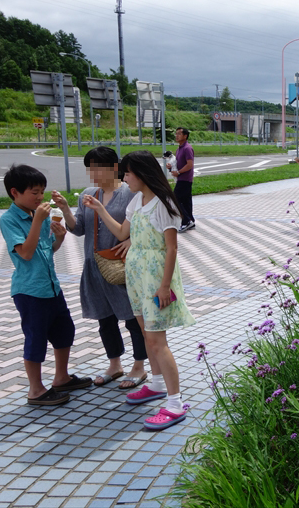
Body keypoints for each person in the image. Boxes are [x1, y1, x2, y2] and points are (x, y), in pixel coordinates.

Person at [85, 150, 196, 430]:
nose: (124, 178)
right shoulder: (138, 200)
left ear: (143, 173)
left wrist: (163, 286)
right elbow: (123, 234)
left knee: (158, 343)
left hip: (156, 278)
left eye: (129, 173)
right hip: (137, 277)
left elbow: (171, 248)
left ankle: (175, 403)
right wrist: (100, 210)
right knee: (147, 337)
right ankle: (157, 385)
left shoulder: (163, 203)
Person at [51, 147, 148, 390]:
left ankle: (139, 366)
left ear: (114, 167)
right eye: (90, 167)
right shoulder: (88, 193)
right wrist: (64, 209)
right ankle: (114, 364)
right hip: (94, 267)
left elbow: (142, 226)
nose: (93, 173)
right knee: (105, 319)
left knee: (133, 319)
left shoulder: (129, 193)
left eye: (98, 167)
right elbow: (79, 228)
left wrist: (131, 239)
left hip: (120, 267)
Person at [0, 164, 92, 405]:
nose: (40, 197)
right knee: (36, 338)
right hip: (29, 291)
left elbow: (46, 251)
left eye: (42, 191)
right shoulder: (9, 219)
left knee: (65, 331)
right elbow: (26, 254)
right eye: (34, 192)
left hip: (51, 287)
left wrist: (59, 238)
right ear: (15, 192)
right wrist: (37, 221)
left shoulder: (36, 215)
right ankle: (36, 390)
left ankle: (61, 378)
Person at [171, 127, 195, 232]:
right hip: (181, 178)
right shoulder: (179, 148)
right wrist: (171, 167)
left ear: (185, 136)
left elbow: (190, 165)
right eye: (176, 134)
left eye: (179, 134)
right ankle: (191, 220)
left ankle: (186, 221)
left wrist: (179, 172)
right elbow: (178, 163)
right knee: (186, 201)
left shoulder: (187, 148)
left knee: (175, 199)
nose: (177, 135)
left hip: (185, 179)